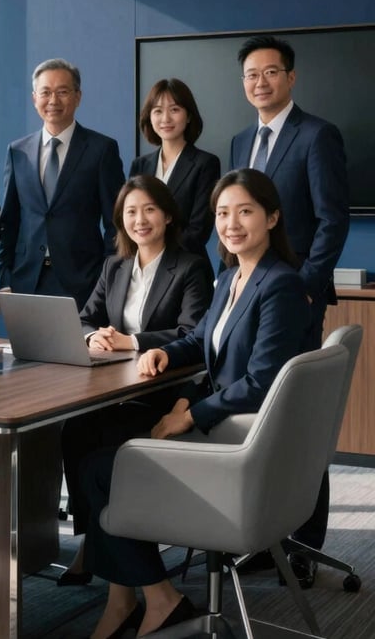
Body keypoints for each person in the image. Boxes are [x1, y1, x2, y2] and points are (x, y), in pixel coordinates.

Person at [79, 169, 310, 639]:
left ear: (272, 217)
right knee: (97, 451)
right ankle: (134, 598)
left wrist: (189, 415)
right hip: (228, 426)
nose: (232, 224)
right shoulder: (232, 278)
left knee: (102, 469)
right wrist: (162, 350)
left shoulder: (279, 284)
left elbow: (261, 382)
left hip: (240, 443)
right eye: (223, 213)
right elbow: (202, 338)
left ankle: (158, 599)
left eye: (245, 211)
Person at [230, 34, 349, 578]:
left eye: (271, 73)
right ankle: (260, 534)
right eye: (252, 74)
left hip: (294, 298)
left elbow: (332, 219)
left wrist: (306, 284)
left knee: (297, 413)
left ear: (291, 77)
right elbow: (232, 220)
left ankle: (302, 543)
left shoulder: (317, 135)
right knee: (257, 413)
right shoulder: (238, 142)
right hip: (244, 295)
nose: (261, 82)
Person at [58, 175, 213, 585]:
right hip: (112, 387)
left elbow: (192, 332)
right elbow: (87, 317)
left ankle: (110, 546)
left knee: (102, 439)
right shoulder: (115, 266)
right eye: (130, 212)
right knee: (75, 428)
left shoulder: (191, 266)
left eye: (148, 210)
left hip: (160, 392)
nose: (139, 219)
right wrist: (95, 335)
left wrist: (132, 340)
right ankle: (91, 540)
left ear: (166, 215)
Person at [0, 58, 125, 309]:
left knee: (78, 350)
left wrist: (108, 279)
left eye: (62, 92)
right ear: (35, 99)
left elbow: (115, 223)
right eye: (45, 92)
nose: (53, 100)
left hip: (84, 282)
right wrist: (5, 276)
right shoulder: (18, 151)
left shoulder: (101, 150)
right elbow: (9, 220)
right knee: (28, 350)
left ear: (78, 97)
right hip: (27, 281)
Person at [130, 78, 220, 260]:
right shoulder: (140, 165)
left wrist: (157, 253)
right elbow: (130, 219)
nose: (165, 119)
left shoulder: (206, 163)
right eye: (157, 111)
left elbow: (199, 230)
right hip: (144, 265)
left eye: (174, 110)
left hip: (187, 265)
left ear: (188, 116)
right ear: (149, 117)